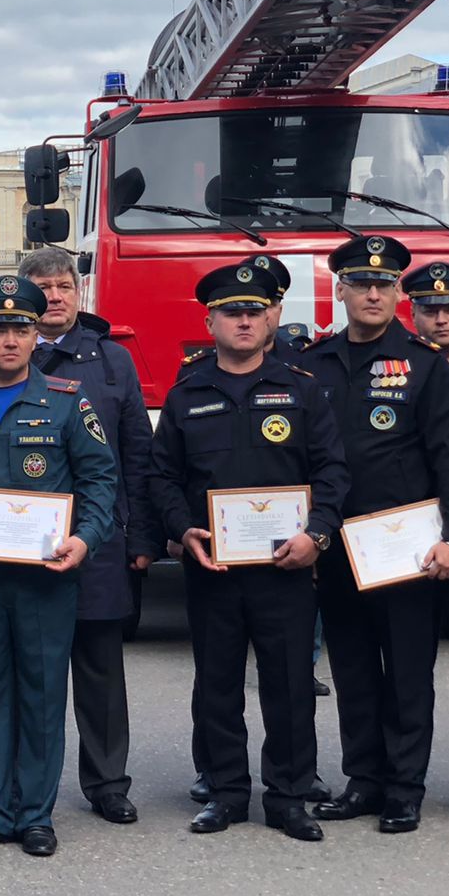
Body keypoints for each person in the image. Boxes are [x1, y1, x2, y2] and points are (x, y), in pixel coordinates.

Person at [149, 263, 349, 841]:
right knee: (217, 683)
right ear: (209, 319)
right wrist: (183, 529)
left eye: (254, 311)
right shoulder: (188, 393)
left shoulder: (302, 389)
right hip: (213, 566)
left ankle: (287, 796)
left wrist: (317, 536)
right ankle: (227, 792)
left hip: (285, 567)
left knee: (288, 684)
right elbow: (162, 477)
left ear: (271, 318)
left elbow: (332, 472)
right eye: (232, 312)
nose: (244, 320)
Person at [0, 246, 157, 823]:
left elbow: (135, 457)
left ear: (79, 293)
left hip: (93, 544)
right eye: (42, 287)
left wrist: (141, 539)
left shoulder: (112, 360)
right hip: (11, 554)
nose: (54, 296)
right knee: (26, 672)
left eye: (64, 286)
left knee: (99, 670)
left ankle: (107, 783)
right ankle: (20, 790)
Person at [0, 275, 118, 857]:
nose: (10, 339)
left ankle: (36, 813)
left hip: (46, 579)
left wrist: (86, 539)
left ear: (37, 335)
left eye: (21, 328)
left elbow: (99, 479)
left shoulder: (66, 401)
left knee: (40, 694)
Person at [301, 235, 449, 834]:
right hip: (338, 544)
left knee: (405, 672)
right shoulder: (317, 363)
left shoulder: (424, 364)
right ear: (341, 290)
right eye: (360, 284)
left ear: (398, 292)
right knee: (350, 668)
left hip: (406, 549)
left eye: (383, 285)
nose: (372, 293)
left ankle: (404, 788)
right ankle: (364, 780)